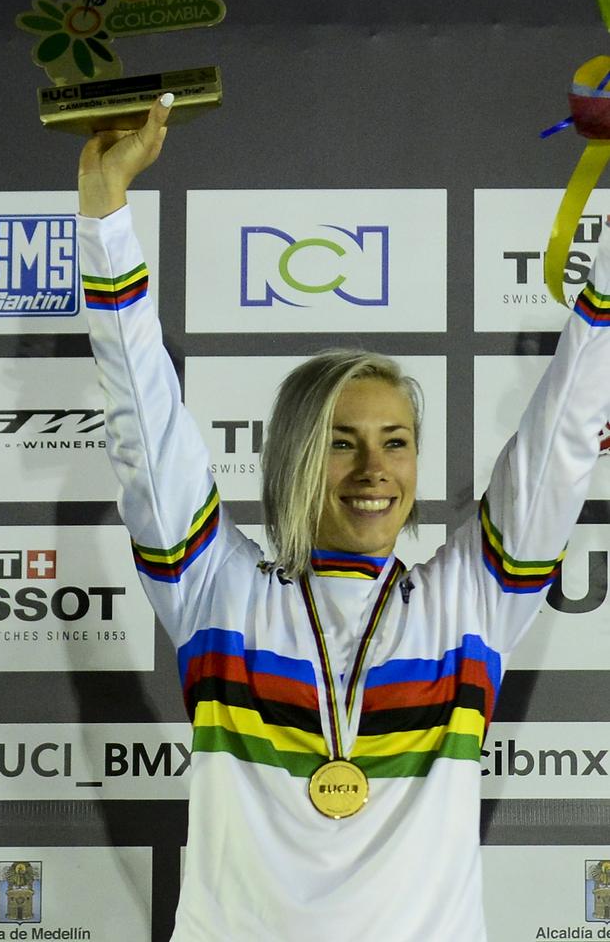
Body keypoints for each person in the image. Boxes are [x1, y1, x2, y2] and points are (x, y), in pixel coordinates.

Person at [77, 95, 610, 941]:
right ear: (291, 454)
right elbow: (145, 424)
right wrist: (105, 217)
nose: (375, 471)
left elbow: (562, 441)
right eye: (342, 443)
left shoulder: (469, 605)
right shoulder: (218, 592)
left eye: (396, 442)